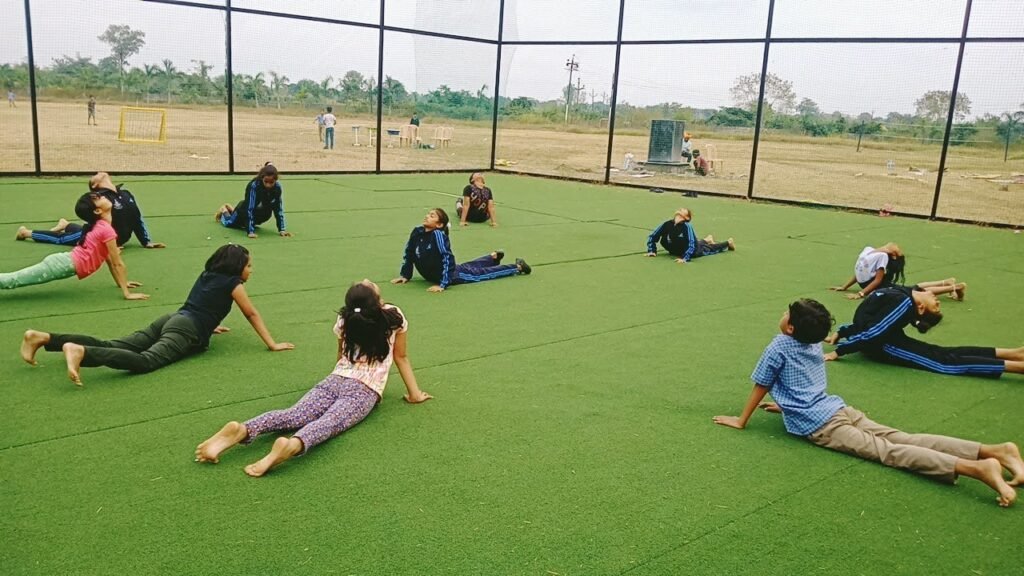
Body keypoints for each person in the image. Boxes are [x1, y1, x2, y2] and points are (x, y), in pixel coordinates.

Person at [713, 298, 1023, 507]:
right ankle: (994, 450)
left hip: (823, 424)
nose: (783, 315)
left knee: (889, 452)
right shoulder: (814, 343)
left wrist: (741, 420)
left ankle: (976, 467)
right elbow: (804, 379)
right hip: (838, 408)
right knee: (904, 438)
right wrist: (787, 405)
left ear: (791, 327)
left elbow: (762, 384)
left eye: (787, 314)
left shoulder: (779, 346)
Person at [194, 279, 431, 476]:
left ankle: (244, 428)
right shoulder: (393, 317)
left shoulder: (345, 318)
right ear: (378, 302)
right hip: (365, 389)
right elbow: (401, 358)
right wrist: (415, 395)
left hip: (335, 379)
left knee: (293, 414)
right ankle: (292, 445)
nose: (367, 280)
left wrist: (336, 377)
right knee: (329, 422)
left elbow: (341, 355)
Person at [20, 244, 293, 387]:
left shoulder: (209, 274)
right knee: (146, 361)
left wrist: (210, 325)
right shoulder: (234, 283)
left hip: (171, 319)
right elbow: (251, 314)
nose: (250, 270)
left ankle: (44, 338)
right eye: (249, 265)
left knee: (113, 343)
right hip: (185, 328)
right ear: (236, 267)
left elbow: (203, 302)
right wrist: (272, 344)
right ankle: (81, 351)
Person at [824, 285, 1024, 378]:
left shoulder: (905, 301)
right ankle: (1015, 362)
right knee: (942, 359)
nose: (938, 301)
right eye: (937, 305)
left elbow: (873, 329)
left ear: (920, 308)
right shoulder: (903, 295)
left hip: (885, 344)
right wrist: (842, 336)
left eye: (935, 306)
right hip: (884, 344)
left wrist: (841, 344)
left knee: (943, 357)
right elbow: (871, 325)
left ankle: (1014, 355)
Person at [1, 191, 147, 300]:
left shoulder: (101, 227)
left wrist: (122, 283)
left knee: (13, 280)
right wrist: (127, 294)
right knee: (12, 280)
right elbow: (117, 263)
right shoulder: (105, 230)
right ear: (97, 211)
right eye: (98, 198)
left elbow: (109, 259)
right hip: (60, 265)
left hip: (62, 263)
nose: (103, 197)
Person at [391, 208, 530, 293]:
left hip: (451, 276)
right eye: (428, 214)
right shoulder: (417, 231)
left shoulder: (438, 235)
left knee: (480, 274)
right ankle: (492, 257)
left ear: (439, 225)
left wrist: (443, 284)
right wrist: (405, 275)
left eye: (432, 216)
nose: (427, 216)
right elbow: (409, 253)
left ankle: (517, 267)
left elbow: (447, 258)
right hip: (436, 274)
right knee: (466, 267)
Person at [16, 172, 165, 249]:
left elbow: (137, 218)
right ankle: (26, 233)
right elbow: (86, 214)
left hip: (120, 240)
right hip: (96, 237)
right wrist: (107, 244)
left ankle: (65, 224)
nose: (99, 172)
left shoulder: (126, 194)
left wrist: (146, 242)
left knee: (76, 231)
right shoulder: (99, 200)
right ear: (95, 185)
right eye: (95, 175)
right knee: (61, 239)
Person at [830, 243, 965, 301]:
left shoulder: (882, 257)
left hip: (882, 287)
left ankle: (955, 287)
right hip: (875, 285)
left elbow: (877, 280)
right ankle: (947, 282)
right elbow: (860, 271)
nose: (890, 245)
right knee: (913, 288)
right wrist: (844, 286)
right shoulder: (869, 250)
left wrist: (860, 294)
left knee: (914, 292)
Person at [214, 163, 292, 239]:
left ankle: (232, 211)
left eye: (271, 182)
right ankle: (224, 210)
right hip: (244, 209)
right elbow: (249, 208)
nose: (268, 185)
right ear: (262, 178)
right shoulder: (254, 185)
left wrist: (282, 230)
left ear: (276, 180)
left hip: (259, 211)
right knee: (229, 223)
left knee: (248, 221)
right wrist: (250, 231)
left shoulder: (277, 187)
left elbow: (278, 209)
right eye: (266, 181)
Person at [645, 208, 734, 263]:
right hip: (676, 249)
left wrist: (685, 258)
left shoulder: (687, 226)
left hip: (693, 251)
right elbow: (653, 236)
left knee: (709, 248)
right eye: (680, 209)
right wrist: (652, 250)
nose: (680, 210)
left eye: (683, 211)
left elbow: (691, 243)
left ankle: (728, 242)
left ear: (687, 218)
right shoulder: (667, 224)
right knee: (696, 243)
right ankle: (707, 239)